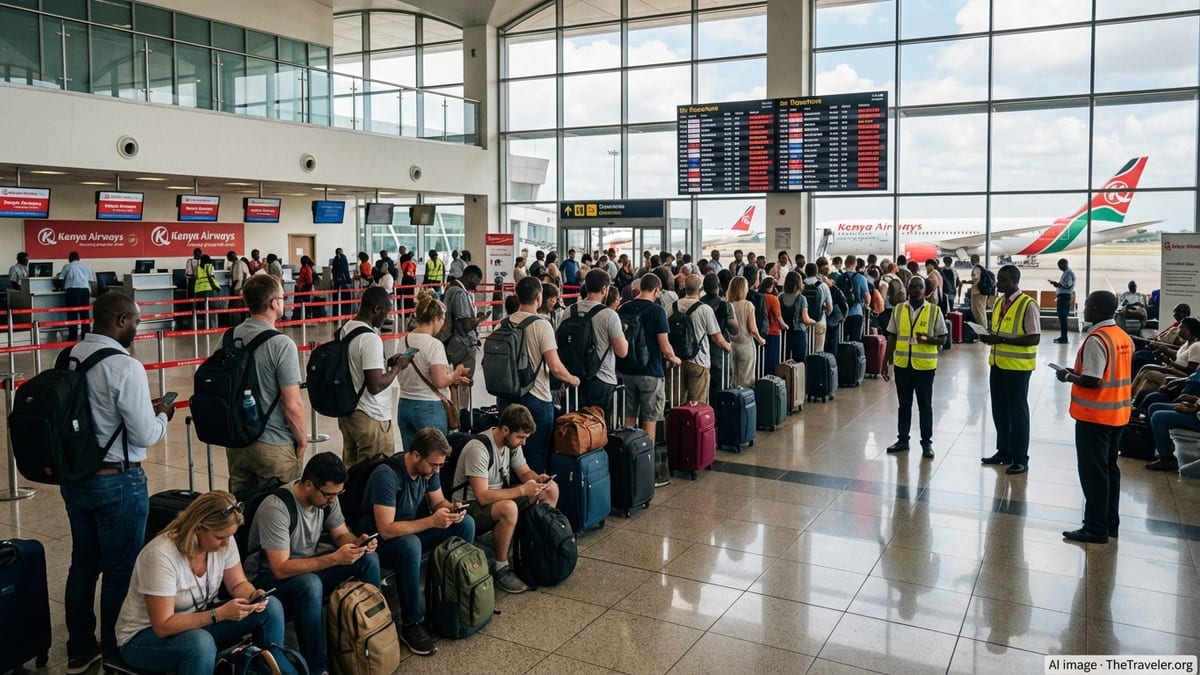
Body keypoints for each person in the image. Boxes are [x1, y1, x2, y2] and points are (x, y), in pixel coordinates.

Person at [60, 293, 174, 673]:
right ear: (121, 319)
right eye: (136, 322)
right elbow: (143, 434)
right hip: (118, 482)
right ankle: (114, 649)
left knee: (82, 564)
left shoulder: (70, 357)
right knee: (120, 569)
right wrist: (164, 416)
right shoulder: (125, 367)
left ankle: (79, 648)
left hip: (76, 479)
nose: (138, 329)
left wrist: (145, 406)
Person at [115, 492, 290, 675]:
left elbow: (238, 583)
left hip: (197, 619)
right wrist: (218, 614)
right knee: (200, 644)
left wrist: (252, 595)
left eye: (230, 536)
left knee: (271, 609)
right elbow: (163, 625)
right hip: (144, 637)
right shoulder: (160, 556)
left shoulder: (225, 541)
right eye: (220, 537)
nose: (226, 544)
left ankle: (269, 670)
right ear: (198, 528)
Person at [244, 453, 381, 674]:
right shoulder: (277, 508)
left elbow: (340, 534)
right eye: (329, 494)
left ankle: (375, 635)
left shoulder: (327, 497)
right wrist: (335, 558)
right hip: (267, 579)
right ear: (309, 485)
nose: (333, 500)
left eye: (338, 494)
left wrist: (357, 543)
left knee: (367, 559)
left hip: (309, 566)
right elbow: (280, 568)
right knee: (309, 584)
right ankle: (318, 667)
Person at [361, 429, 474, 656]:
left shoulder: (429, 471)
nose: (437, 470)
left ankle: (452, 598)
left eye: (440, 465)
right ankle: (411, 622)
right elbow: (386, 529)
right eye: (433, 465)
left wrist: (451, 510)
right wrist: (432, 521)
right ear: (415, 456)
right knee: (410, 545)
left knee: (466, 524)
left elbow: (438, 501)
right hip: (379, 543)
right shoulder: (387, 476)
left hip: (410, 530)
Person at [451, 404, 559, 594]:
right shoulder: (479, 449)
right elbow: (483, 497)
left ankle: (538, 547)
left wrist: (538, 480)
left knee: (550, 490)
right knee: (508, 508)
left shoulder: (511, 444)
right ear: (505, 429)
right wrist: (523, 490)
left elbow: (524, 472)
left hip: (498, 496)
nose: (523, 443)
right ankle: (501, 568)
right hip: (469, 506)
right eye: (521, 437)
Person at [1055, 291, 1133, 544]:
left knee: (1093, 474)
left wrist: (1068, 376)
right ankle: (1110, 523)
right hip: (1118, 415)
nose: (1084, 309)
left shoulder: (1097, 339)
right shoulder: (1122, 336)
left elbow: (1093, 379)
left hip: (1095, 417)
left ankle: (1095, 528)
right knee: (1110, 470)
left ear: (1097, 310)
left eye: (1087, 306)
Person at [226, 275, 307, 495]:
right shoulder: (281, 344)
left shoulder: (229, 337)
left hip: (237, 443)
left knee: (241, 515)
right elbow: (292, 405)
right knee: (281, 512)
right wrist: (301, 440)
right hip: (274, 444)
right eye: (282, 297)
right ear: (274, 303)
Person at [497, 277, 581, 473]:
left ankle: (513, 497)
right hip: (536, 400)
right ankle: (536, 500)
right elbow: (555, 366)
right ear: (538, 297)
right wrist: (572, 379)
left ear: (517, 296)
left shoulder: (503, 323)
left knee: (511, 454)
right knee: (536, 455)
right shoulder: (541, 325)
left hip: (506, 398)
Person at [979, 265, 1040, 475]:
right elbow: (998, 330)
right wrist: (988, 336)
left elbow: (1034, 337)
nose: (999, 283)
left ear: (1014, 281)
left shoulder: (1027, 304)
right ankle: (1003, 451)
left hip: (1018, 368)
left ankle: (1020, 458)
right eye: (998, 279)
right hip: (997, 364)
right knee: (1000, 411)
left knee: (1018, 414)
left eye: (1003, 280)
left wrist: (1002, 339)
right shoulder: (998, 302)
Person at [339, 287, 408, 466]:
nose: (385, 318)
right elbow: (375, 385)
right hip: (371, 416)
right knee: (375, 473)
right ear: (376, 309)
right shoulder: (370, 339)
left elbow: (357, 367)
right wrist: (397, 368)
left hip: (349, 412)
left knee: (352, 472)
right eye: (385, 313)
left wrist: (387, 365)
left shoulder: (346, 329)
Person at [396, 292, 471, 451]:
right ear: (436, 319)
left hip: (404, 405)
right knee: (434, 459)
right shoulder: (434, 344)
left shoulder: (404, 340)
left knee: (410, 459)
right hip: (428, 407)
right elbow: (440, 381)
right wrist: (456, 374)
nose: (442, 324)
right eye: (442, 320)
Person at [883, 276, 946, 459]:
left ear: (925, 290)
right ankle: (903, 440)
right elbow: (892, 336)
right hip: (903, 365)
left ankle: (927, 443)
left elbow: (943, 338)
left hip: (924, 367)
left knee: (925, 406)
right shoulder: (898, 309)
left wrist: (925, 338)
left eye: (919, 287)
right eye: (912, 286)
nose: (916, 289)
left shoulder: (934, 311)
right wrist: (885, 362)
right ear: (908, 289)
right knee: (904, 405)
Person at [619, 273, 680, 450]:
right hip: (651, 371)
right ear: (655, 290)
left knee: (629, 416)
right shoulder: (657, 311)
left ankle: (629, 457)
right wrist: (674, 358)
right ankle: (646, 459)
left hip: (628, 370)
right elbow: (664, 346)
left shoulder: (624, 308)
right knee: (649, 418)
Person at [565, 269, 628, 419]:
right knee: (599, 430)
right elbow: (622, 351)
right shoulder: (609, 315)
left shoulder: (569, 311)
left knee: (577, 428)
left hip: (574, 378)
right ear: (604, 289)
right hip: (602, 379)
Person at [675, 274, 731, 403]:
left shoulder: (671, 307)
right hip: (698, 361)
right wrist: (728, 346)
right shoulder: (705, 309)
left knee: (677, 403)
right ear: (700, 289)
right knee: (698, 403)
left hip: (676, 361)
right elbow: (717, 338)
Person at [444, 264, 483, 375]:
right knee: (464, 381)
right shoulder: (460, 293)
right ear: (471, 277)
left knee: (456, 378)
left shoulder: (451, 287)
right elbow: (466, 326)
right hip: (464, 344)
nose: (477, 285)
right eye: (477, 281)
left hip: (454, 341)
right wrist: (478, 320)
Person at [727, 275, 766, 388]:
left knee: (733, 379)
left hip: (732, 345)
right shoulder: (748, 305)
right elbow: (752, 329)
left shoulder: (728, 305)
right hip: (746, 345)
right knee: (747, 380)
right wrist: (760, 339)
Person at [1132, 303, 1191, 374]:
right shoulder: (1176, 325)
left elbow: (1178, 346)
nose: (1173, 314)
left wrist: (1161, 347)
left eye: (1175, 312)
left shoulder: (1184, 330)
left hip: (1160, 351)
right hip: (1155, 343)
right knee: (1133, 342)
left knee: (1138, 355)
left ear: (1181, 314)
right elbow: (1162, 336)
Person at [59, 251, 95, 341]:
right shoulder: (86, 267)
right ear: (79, 258)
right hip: (85, 291)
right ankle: (85, 336)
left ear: (69, 259)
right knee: (85, 315)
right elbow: (91, 281)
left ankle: (72, 337)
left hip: (72, 291)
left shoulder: (67, 266)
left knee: (72, 315)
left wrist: (62, 287)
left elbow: (60, 279)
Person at [778, 271, 814, 361]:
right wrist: (812, 321)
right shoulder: (802, 298)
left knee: (784, 360)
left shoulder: (780, 297)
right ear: (799, 283)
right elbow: (805, 319)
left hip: (784, 333)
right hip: (798, 333)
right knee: (799, 362)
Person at [803, 262, 832, 356]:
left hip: (803, 322)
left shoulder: (801, 285)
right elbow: (829, 307)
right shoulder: (823, 286)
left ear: (805, 272)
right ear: (817, 272)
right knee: (818, 352)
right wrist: (826, 313)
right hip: (819, 321)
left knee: (804, 351)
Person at [760, 276, 788, 374]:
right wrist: (785, 326)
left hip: (760, 331)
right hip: (773, 331)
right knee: (772, 359)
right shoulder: (773, 299)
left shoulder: (758, 296)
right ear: (772, 286)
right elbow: (778, 316)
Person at [840, 254, 871, 342]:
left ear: (845, 264)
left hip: (843, 314)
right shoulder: (861, 278)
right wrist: (866, 304)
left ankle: (844, 356)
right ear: (855, 264)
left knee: (843, 341)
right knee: (856, 341)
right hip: (856, 312)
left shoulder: (840, 278)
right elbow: (867, 296)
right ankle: (854, 355)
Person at [1050, 258, 1076, 343]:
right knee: (1063, 317)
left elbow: (1067, 286)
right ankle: (1063, 336)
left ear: (1063, 265)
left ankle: (1064, 337)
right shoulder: (1066, 273)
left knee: (1063, 317)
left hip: (1064, 297)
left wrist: (1057, 284)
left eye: (1060, 265)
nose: (1059, 267)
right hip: (1064, 296)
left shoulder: (1068, 273)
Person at [969, 253, 994, 327]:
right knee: (981, 312)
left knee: (979, 313)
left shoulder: (976, 269)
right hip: (981, 293)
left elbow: (975, 280)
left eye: (972, 260)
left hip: (977, 293)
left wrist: (965, 282)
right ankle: (983, 329)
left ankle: (983, 331)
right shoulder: (981, 268)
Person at [226, 250, 249, 326]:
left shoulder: (238, 264)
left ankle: (236, 324)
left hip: (239, 288)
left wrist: (233, 288)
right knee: (243, 307)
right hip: (243, 288)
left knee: (236, 308)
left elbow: (239, 278)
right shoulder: (237, 263)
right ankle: (243, 324)